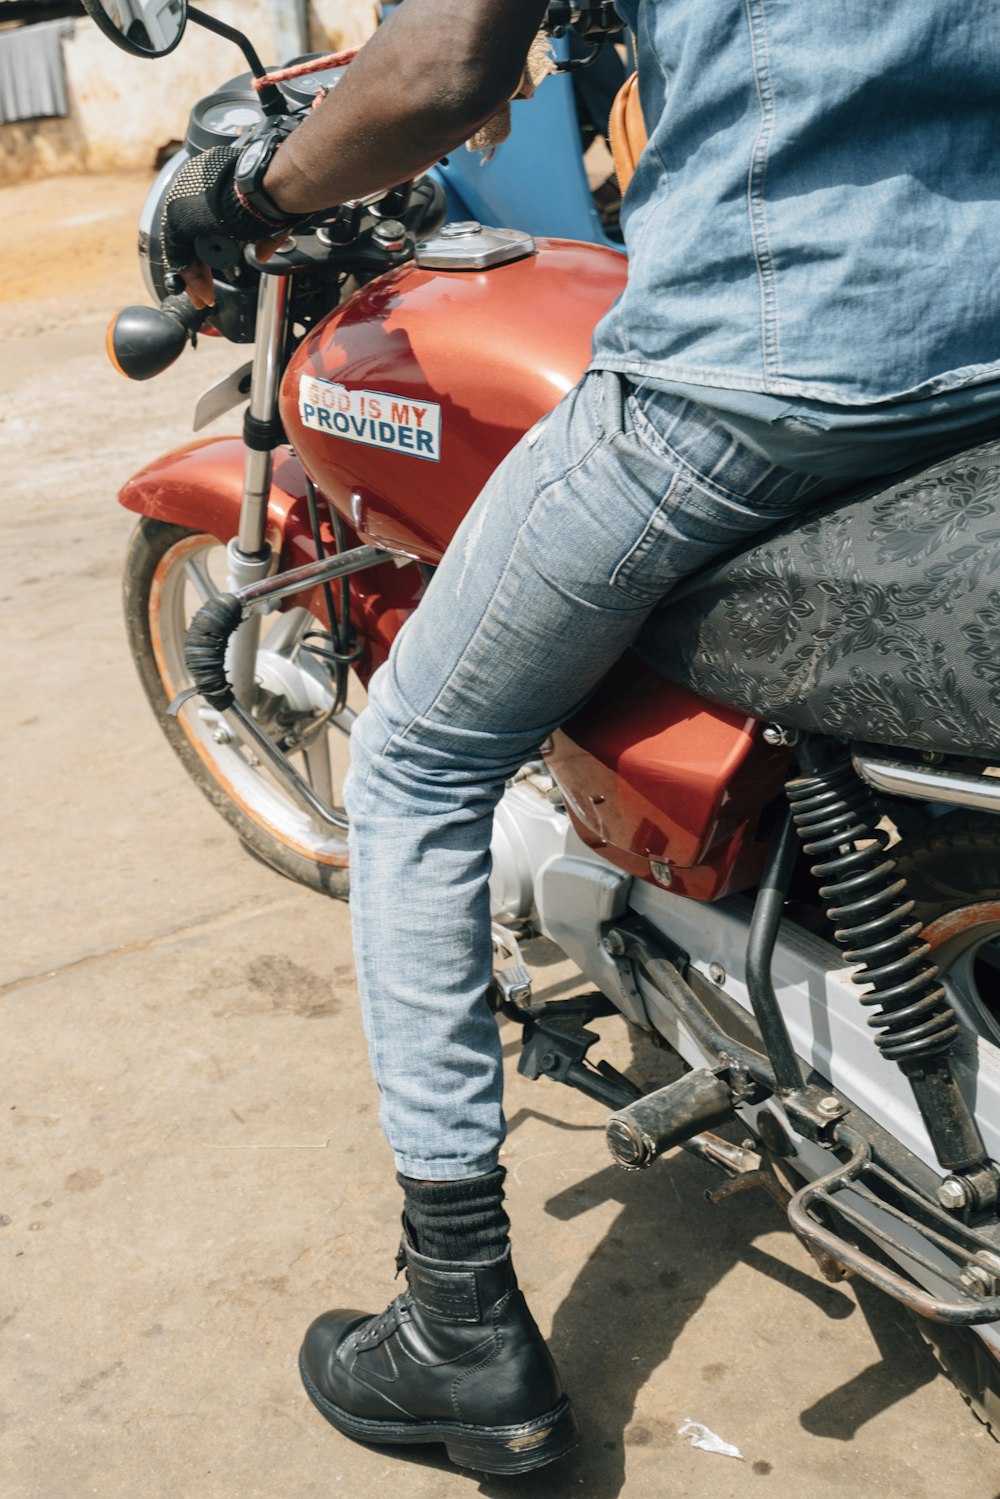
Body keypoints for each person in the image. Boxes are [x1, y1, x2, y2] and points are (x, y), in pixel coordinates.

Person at [162, 0, 1000, 1475]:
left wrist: (244, 196)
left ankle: (456, 1326)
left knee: (419, 753)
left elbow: (436, 68)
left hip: (769, 369)